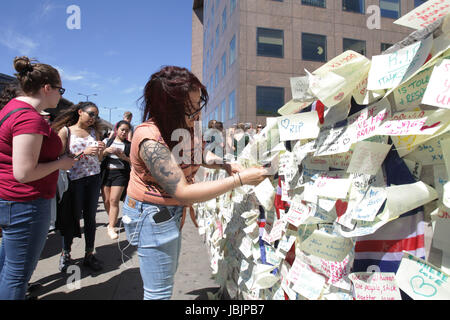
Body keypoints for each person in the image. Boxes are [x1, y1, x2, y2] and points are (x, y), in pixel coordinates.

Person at [123, 66, 268, 300]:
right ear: (167, 109)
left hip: (171, 211)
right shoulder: (149, 139)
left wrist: (225, 165)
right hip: (152, 213)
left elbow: (199, 155)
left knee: (166, 278)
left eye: (199, 105)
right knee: (158, 291)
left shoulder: (188, 125)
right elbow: (183, 192)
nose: (197, 116)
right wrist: (240, 179)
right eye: (190, 111)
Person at [0, 56, 76, 299]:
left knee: (7, 265)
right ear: (47, 88)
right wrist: (61, 163)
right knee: (17, 274)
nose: (59, 96)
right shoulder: (28, 118)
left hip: (11, 200)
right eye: (59, 90)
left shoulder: (12, 109)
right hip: (27, 204)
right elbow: (24, 173)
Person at [52, 101, 106, 272]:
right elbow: (58, 158)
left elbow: (99, 159)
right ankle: (65, 253)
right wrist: (83, 153)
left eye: (96, 115)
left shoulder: (94, 132)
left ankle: (89, 254)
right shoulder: (66, 131)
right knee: (72, 217)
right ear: (80, 112)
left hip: (93, 178)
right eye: (91, 114)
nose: (93, 118)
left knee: (90, 218)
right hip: (74, 180)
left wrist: (101, 150)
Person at [100, 120, 131, 240]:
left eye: (127, 131)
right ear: (116, 129)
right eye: (122, 129)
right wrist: (105, 152)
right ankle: (111, 219)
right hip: (106, 173)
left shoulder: (128, 145)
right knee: (107, 201)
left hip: (120, 174)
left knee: (114, 200)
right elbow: (98, 157)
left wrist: (124, 157)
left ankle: (111, 227)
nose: (124, 132)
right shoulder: (107, 142)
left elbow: (133, 161)